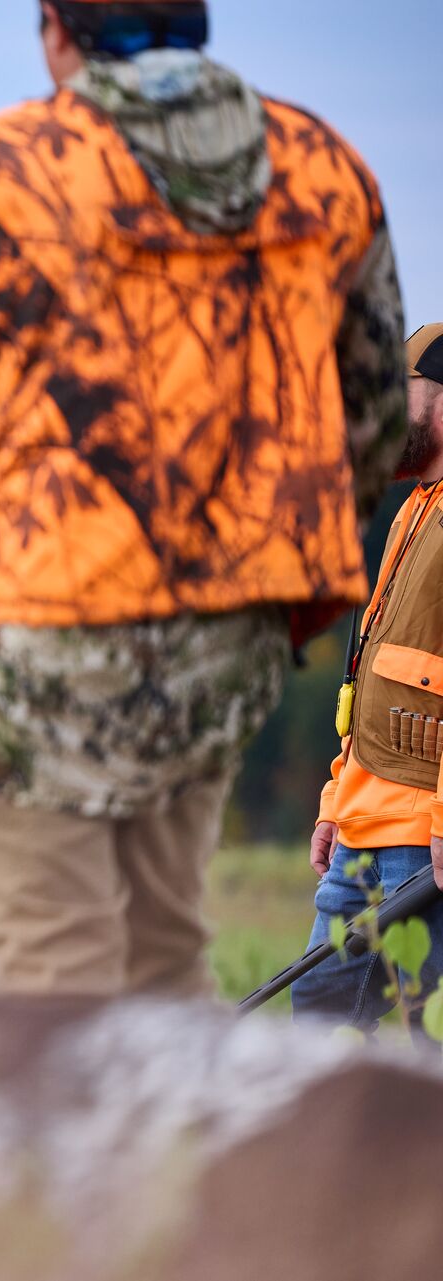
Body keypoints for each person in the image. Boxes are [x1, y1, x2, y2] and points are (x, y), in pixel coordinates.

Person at [0, 0, 407, 999]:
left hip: (16, 656)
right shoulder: (325, 170)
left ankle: (84, 1104)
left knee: (57, 983)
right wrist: (274, 598)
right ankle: (169, 1104)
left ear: (57, 28)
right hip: (215, 662)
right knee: (165, 958)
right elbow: (375, 418)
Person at [294, 325, 443, 1038]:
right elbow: (376, 678)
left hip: (422, 837)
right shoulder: (413, 512)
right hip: (361, 827)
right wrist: (335, 799)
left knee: (420, 1031)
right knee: (321, 1016)